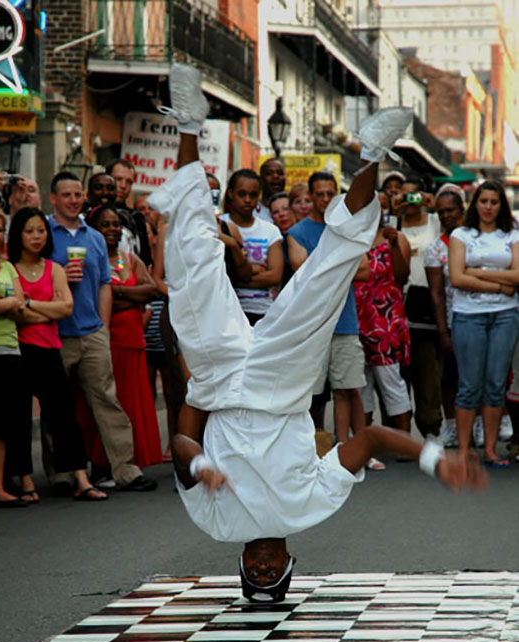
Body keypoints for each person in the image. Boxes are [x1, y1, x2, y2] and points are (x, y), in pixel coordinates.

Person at [148, 64, 485, 601]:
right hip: (283, 386)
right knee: (327, 277)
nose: (260, 564)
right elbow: (369, 438)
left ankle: (188, 123)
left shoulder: (216, 523)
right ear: (288, 562)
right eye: (270, 571)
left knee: (190, 268)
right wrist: (434, 458)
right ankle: (372, 154)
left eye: (253, 572)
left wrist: (203, 463)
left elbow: (182, 442)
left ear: (241, 564)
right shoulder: (312, 506)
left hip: (220, 386)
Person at [47, 171, 157, 492]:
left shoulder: (93, 238)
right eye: (65, 195)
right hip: (57, 332)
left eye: (76, 195)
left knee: (108, 401)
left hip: (92, 330)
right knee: (59, 405)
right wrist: (59, 277)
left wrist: (104, 329)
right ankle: (62, 474)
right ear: (53, 198)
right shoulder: (47, 235)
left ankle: (125, 469)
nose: (72, 200)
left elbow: (105, 287)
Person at [8, 208, 107, 502]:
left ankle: (80, 478)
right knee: (20, 417)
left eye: (41, 230)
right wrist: (42, 309)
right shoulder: (10, 268)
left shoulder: (55, 269)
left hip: (51, 349)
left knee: (64, 416)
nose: (37, 237)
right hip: (21, 351)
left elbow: (65, 309)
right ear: (18, 235)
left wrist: (31, 305)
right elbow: (18, 314)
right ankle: (26, 481)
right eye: (29, 231)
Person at [287, 171, 371, 459]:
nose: (324, 199)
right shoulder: (298, 232)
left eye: (329, 193)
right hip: (311, 326)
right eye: (319, 194)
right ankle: (308, 449)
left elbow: (365, 269)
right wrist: (341, 267)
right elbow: (304, 273)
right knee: (310, 394)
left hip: (345, 322)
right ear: (310, 197)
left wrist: (326, 268)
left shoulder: (347, 229)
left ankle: (351, 449)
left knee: (348, 389)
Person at [83, 205, 162, 470]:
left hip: (132, 338)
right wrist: (128, 295)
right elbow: (94, 300)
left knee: (131, 399)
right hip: (106, 336)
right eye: (105, 225)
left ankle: (131, 459)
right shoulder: (90, 259)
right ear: (93, 229)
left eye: (116, 224)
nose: (112, 230)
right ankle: (104, 460)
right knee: (109, 399)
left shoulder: (130, 259)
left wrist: (115, 291)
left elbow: (151, 290)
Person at [449, 179, 519, 467]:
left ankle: (490, 449)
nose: (488, 207)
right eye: (483, 201)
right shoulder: (460, 234)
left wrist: (476, 272)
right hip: (468, 315)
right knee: (469, 385)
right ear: (474, 204)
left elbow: (518, 276)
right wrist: (500, 286)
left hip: (506, 315)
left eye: (494, 202)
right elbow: (456, 278)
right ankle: (465, 450)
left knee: (495, 384)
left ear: (501, 205)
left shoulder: (512, 234)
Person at [392, 176, 441, 437]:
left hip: (425, 305)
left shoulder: (434, 221)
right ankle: (398, 431)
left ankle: (430, 427)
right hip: (394, 305)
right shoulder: (391, 223)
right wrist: (392, 211)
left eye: (415, 195)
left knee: (427, 371)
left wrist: (432, 207)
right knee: (396, 374)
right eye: (404, 195)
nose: (410, 201)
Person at [0, 205, 28, 508]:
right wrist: (7, 303)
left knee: (1, 424)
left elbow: (22, 308)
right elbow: (11, 306)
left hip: (9, 351)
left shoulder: (8, 267)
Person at [355, 218, 412, 433]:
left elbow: (402, 276)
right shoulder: (351, 235)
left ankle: (405, 440)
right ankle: (363, 440)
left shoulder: (394, 238)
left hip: (385, 320)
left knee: (391, 382)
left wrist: (395, 244)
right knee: (361, 385)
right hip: (356, 316)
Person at [424, 184, 465, 448]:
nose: (446, 215)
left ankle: (484, 425)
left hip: (483, 315)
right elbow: (437, 294)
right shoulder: (436, 249)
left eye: (451, 210)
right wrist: (443, 331)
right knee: (450, 377)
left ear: (462, 209)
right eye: (441, 212)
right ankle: (451, 426)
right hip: (453, 320)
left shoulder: (476, 238)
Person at [220, 170, 283, 325]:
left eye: (253, 195)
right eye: (241, 194)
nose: (247, 200)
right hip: (226, 310)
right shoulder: (219, 225)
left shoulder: (270, 230)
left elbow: (275, 276)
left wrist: (236, 277)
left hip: (262, 311)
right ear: (230, 194)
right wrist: (257, 270)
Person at [106, 158, 152, 267]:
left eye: (129, 182)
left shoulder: (136, 218)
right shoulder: (91, 213)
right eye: (118, 179)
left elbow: (145, 261)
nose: (123, 185)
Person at [268, 191, 297, 288]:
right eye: (276, 212)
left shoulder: (304, 236)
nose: (281, 214)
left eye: (285, 209)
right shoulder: (272, 242)